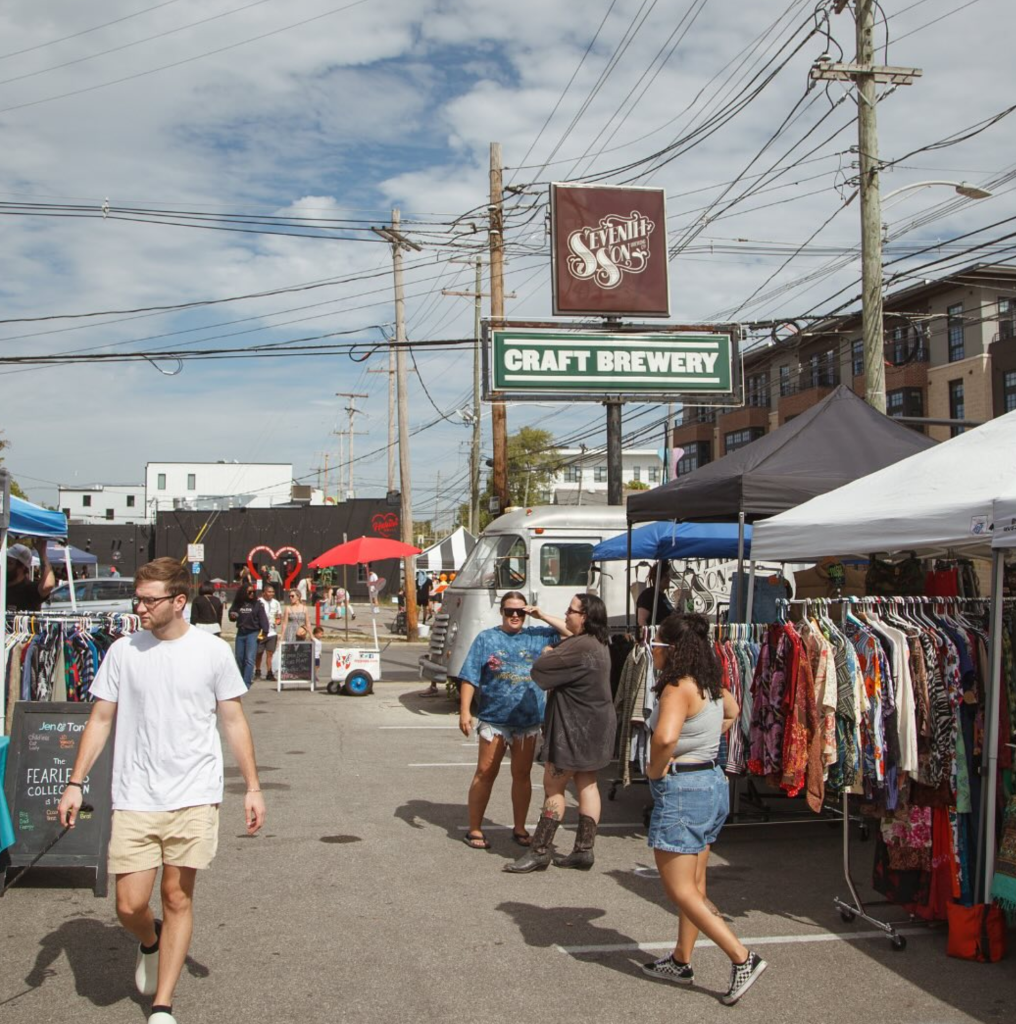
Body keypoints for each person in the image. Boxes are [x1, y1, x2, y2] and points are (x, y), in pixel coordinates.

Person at [56, 557, 265, 1024]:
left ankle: (163, 1005)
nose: (140, 607)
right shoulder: (124, 651)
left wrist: (252, 786)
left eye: (149, 600)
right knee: (129, 904)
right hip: (135, 794)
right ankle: (150, 939)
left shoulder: (210, 652)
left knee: (176, 896)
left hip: (194, 792)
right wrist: (75, 783)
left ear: (178, 601)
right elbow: (102, 719)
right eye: (138, 598)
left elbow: (232, 719)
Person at [640, 612, 766, 1005]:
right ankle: (682, 959)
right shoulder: (710, 682)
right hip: (711, 783)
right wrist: (706, 742)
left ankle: (742, 957)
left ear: (672, 649)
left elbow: (664, 738)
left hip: (683, 788)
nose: (653, 651)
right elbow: (730, 713)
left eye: (657, 645)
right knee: (694, 885)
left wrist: (656, 770)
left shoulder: (676, 687)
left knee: (679, 889)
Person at [504, 593, 615, 873]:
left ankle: (540, 850)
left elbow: (540, 669)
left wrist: (547, 654)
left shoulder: (577, 647)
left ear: (585, 616)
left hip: (572, 728)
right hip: (597, 726)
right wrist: (544, 619)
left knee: (554, 786)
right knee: (588, 784)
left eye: (571, 610)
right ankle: (583, 850)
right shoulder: (598, 643)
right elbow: (568, 637)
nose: (566, 614)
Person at [457, 591, 561, 850]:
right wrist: (464, 711)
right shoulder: (487, 638)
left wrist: (542, 615)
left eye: (520, 611)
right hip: (494, 719)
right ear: (501, 612)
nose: (515, 616)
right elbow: (470, 676)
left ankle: (519, 827)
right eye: (509, 611)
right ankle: (475, 829)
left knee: (522, 775)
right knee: (485, 772)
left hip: (527, 722)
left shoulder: (539, 635)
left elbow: (573, 633)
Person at [228, 582, 269, 689]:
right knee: (239, 658)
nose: (252, 594)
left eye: (253, 592)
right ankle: (242, 677)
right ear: (243, 593)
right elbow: (231, 614)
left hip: (253, 633)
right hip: (241, 632)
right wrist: (232, 615)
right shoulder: (238, 604)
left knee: (249, 659)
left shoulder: (257, 604)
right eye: (249, 592)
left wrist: (264, 633)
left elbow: (263, 619)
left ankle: (246, 682)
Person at [5, 539, 56, 611]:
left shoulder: (29, 589)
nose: (4, 566)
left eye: (9, 562)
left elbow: (48, 585)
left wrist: (42, 553)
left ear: (22, 567)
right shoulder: (2, 587)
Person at [254, 585, 282, 682]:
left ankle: (269, 672)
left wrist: (278, 620)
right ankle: (257, 671)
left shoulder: (276, 603)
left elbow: (279, 614)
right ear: (264, 592)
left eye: (272, 592)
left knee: (270, 653)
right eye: (269, 592)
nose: (271, 594)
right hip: (261, 631)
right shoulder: (259, 602)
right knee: (259, 652)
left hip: (272, 632)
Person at [637, 560, 675, 628]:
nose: (669, 579)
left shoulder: (662, 596)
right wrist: (648, 637)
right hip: (654, 636)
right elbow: (642, 620)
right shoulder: (648, 595)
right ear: (658, 577)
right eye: (665, 576)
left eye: (669, 576)